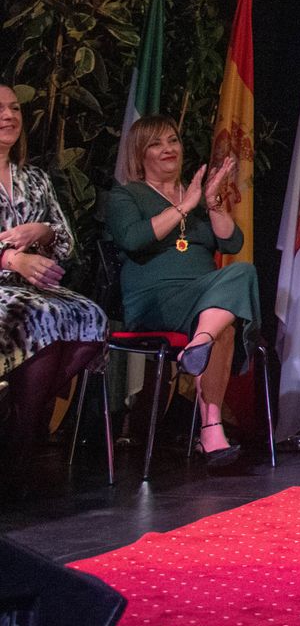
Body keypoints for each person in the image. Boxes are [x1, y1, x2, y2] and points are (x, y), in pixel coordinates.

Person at [105, 115, 256, 468]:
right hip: (155, 301)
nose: (169, 149)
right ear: (140, 154)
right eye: (157, 144)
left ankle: (200, 350)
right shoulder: (126, 196)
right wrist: (184, 207)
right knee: (224, 324)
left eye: (173, 140)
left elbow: (232, 240)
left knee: (241, 274)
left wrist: (213, 202)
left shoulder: (199, 197)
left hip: (203, 301)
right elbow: (132, 239)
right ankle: (211, 428)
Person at [0, 83, 108, 466]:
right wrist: (11, 260)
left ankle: (22, 421)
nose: (9, 115)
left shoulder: (35, 179)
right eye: (0, 109)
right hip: (7, 288)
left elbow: (66, 242)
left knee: (89, 316)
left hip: (35, 287)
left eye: (14, 108)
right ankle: (24, 440)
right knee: (41, 316)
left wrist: (42, 232)